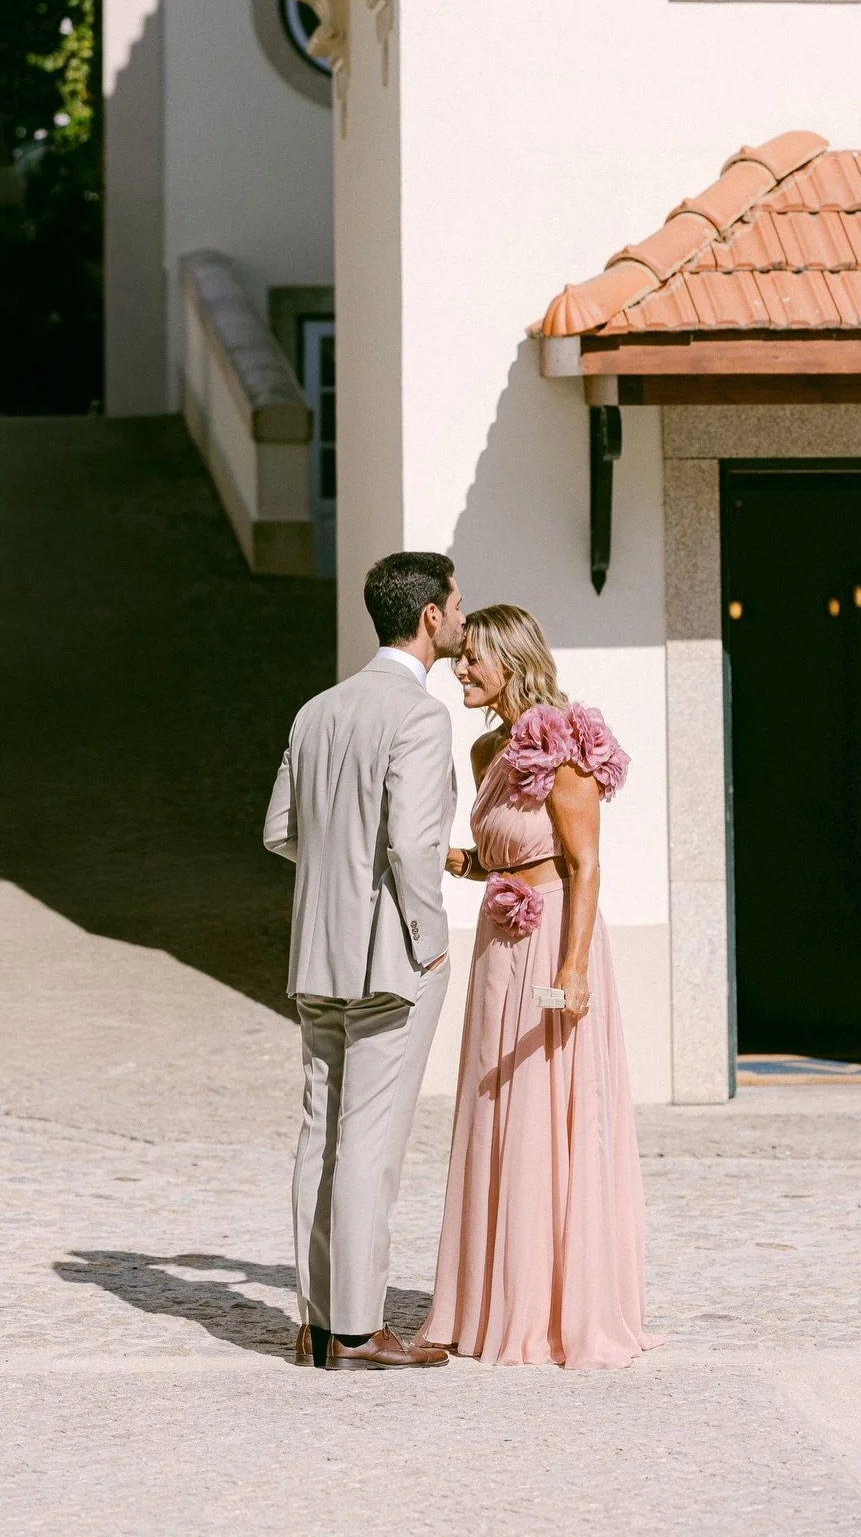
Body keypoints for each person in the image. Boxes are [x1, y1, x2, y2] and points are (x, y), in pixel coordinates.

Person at [419, 603, 660, 1369]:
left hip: (555, 936)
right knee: (495, 1107)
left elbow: (584, 864)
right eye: (460, 659)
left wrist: (574, 968)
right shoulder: (489, 746)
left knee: (546, 1110)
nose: (461, 669)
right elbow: (500, 856)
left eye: (474, 659)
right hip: (499, 936)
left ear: (512, 661)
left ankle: (552, 1308)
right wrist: (444, 859)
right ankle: (489, 1300)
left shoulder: (566, 746)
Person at [264, 550, 465, 1372]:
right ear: (428, 617)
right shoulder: (419, 717)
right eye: (456, 605)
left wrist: (336, 883)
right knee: (370, 1144)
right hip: (390, 959)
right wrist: (430, 937)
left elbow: (281, 830)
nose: (461, 618)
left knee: (320, 1134)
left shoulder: (317, 710)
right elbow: (415, 847)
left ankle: (315, 1324)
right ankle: (356, 1329)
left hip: (316, 954)